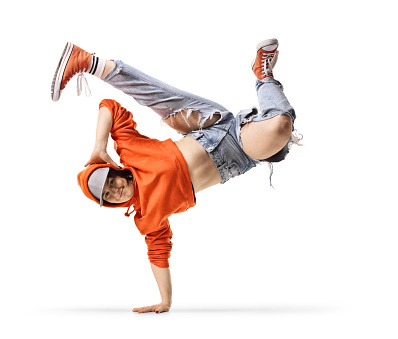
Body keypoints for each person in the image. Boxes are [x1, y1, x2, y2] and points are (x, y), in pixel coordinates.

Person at [50, 39, 301, 313]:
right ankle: (264, 78)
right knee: (280, 129)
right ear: (110, 204)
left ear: (115, 171)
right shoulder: (147, 217)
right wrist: (165, 301)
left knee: (154, 95)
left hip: (205, 122)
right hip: (236, 151)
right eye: (108, 195)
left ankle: (86, 60)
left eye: (111, 181)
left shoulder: (130, 153)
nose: (115, 189)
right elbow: (158, 253)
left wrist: (99, 147)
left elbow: (110, 107)